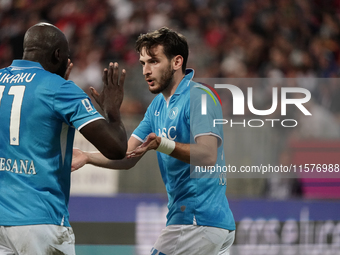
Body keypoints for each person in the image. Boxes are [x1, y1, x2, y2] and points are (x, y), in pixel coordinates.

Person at [72, 27, 236, 255]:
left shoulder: (199, 97)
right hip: (196, 221)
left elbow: (208, 156)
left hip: (198, 219)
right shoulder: (157, 107)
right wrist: (88, 155)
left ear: (177, 62)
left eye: (154, 61)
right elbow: (127, 155)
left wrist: (163, 144)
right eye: (142, 63)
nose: (146, 71)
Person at [0, 22, 127, 255]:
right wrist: (112, 112)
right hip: (40, 221)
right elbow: (116, 148)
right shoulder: (60, 89)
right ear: (58, 55)